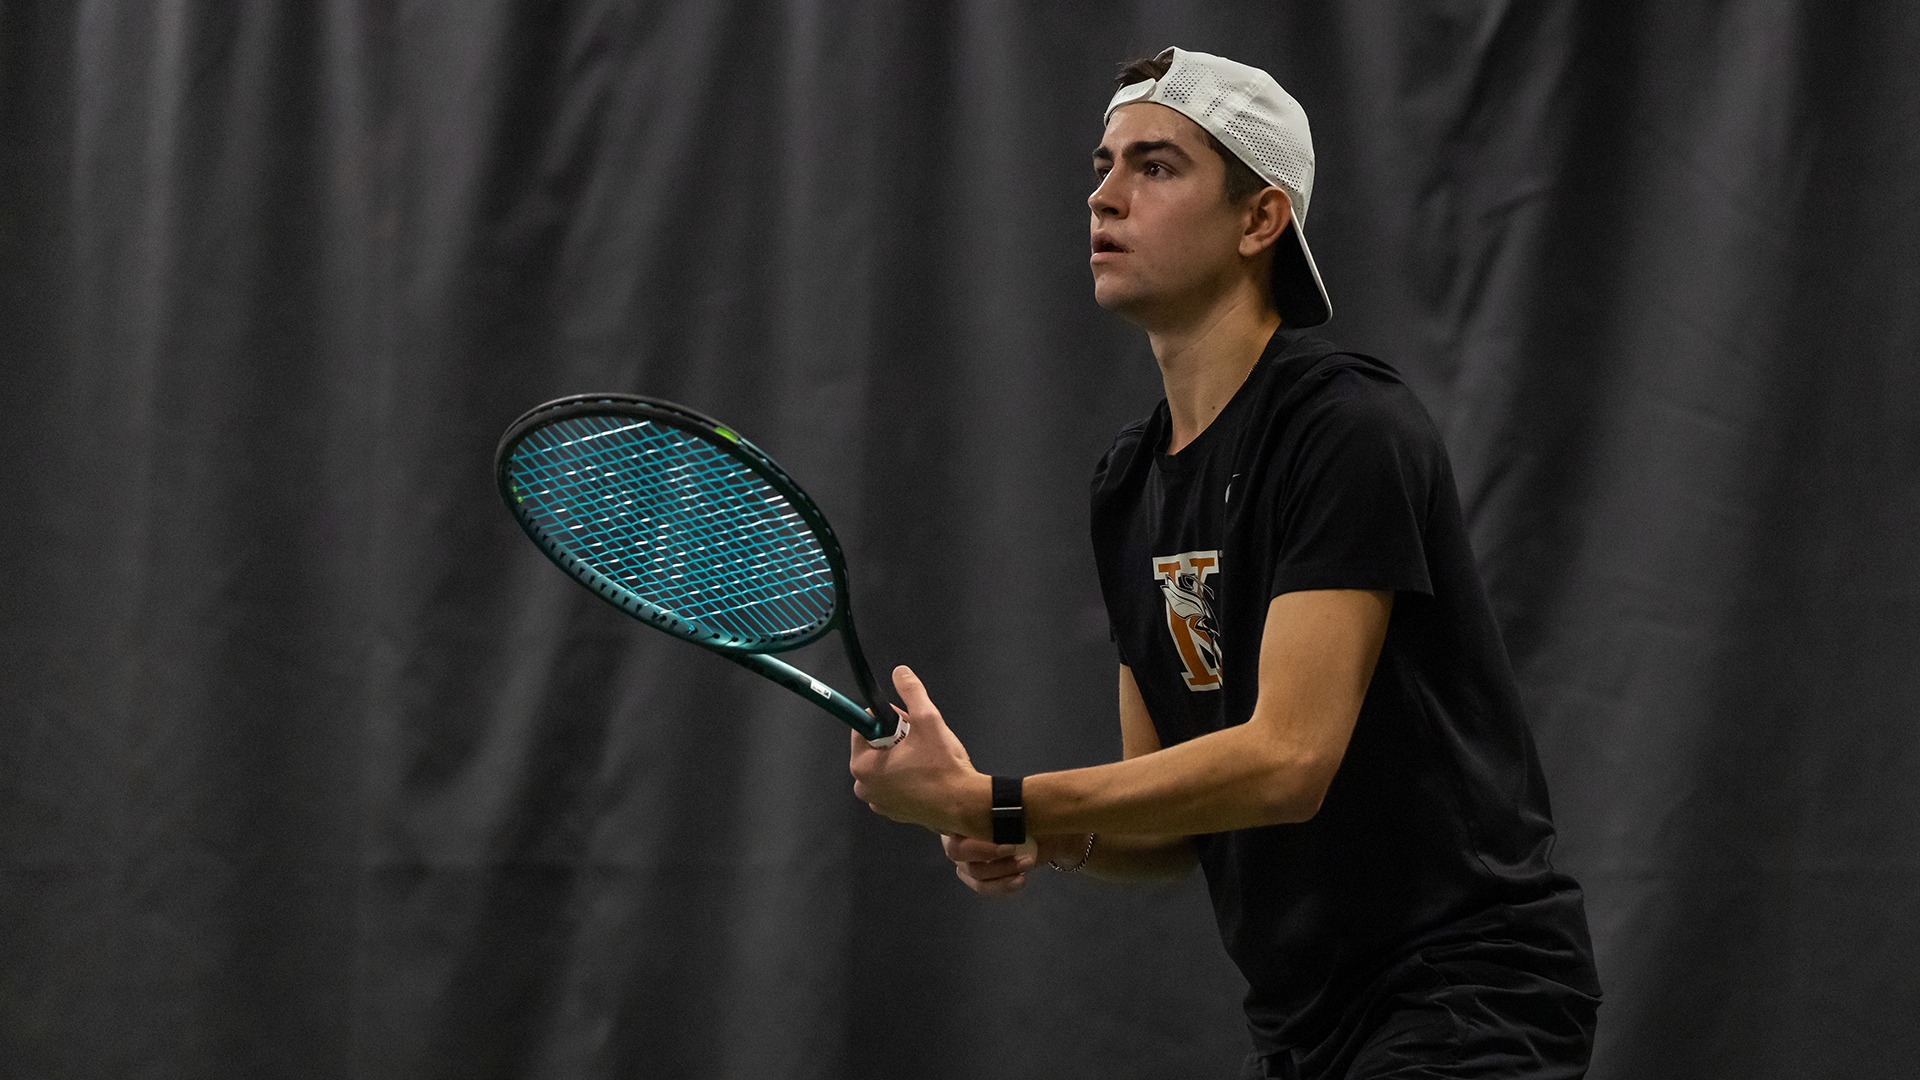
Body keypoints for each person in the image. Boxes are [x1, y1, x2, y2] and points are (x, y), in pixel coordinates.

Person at [848, 47, 1600, 1079]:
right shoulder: (1128, 484)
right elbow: (1166, 826)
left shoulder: (1347, 430)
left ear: (1261, 220)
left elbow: (1288, 762)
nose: (1104, 195)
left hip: (1466, 998)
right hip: (1301, 1026)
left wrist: (1000, 801)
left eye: (1155, 166)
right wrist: (1031, 831)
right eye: (1104, 163)